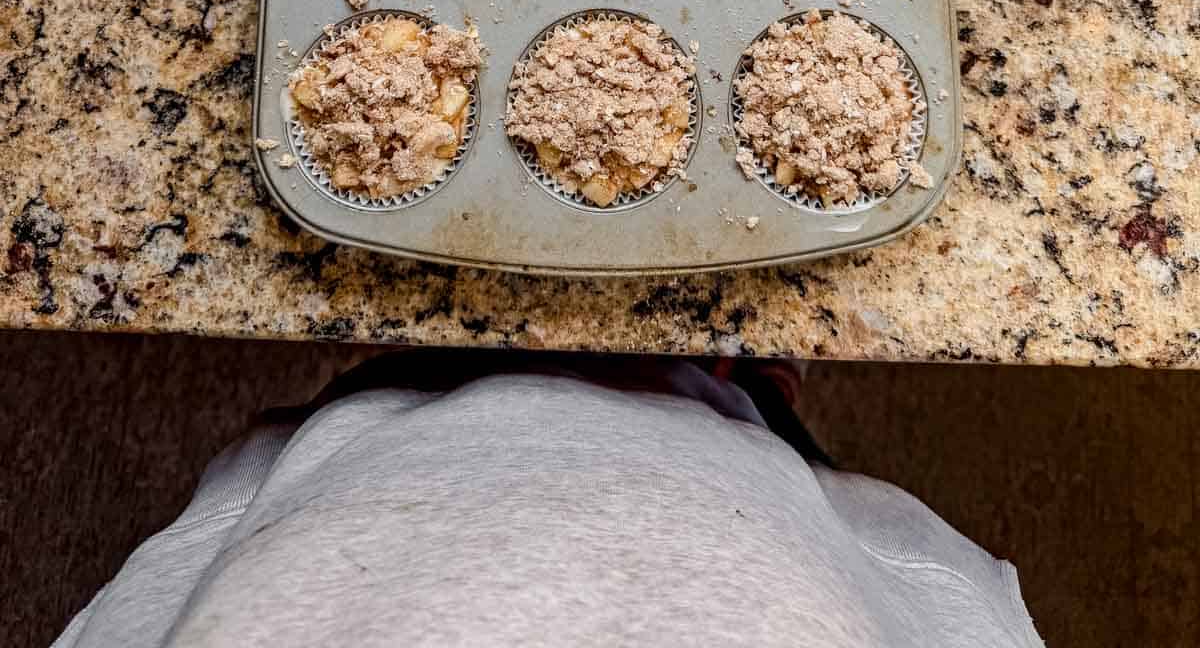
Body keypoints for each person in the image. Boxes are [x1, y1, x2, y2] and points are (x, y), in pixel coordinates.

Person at [54, 353, 1042, 646]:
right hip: (763, 558)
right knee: (780, 485)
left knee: (375, 424)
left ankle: (426, 363)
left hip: (343, 547)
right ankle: (732, 393)